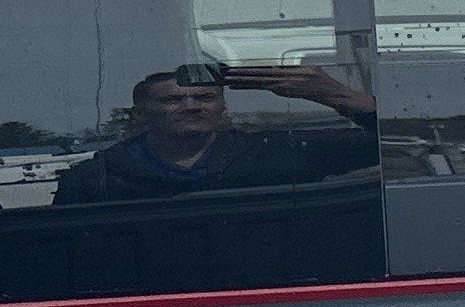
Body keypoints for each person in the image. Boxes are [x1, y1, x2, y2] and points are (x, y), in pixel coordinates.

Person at [53, 57, 377, 204]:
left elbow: (394, 143)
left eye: (205, 97)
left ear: (223, 107)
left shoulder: (279, 152)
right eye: (173, 100)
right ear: (141, 113)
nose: (192, 106)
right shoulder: (95, 179)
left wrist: (337, 95)